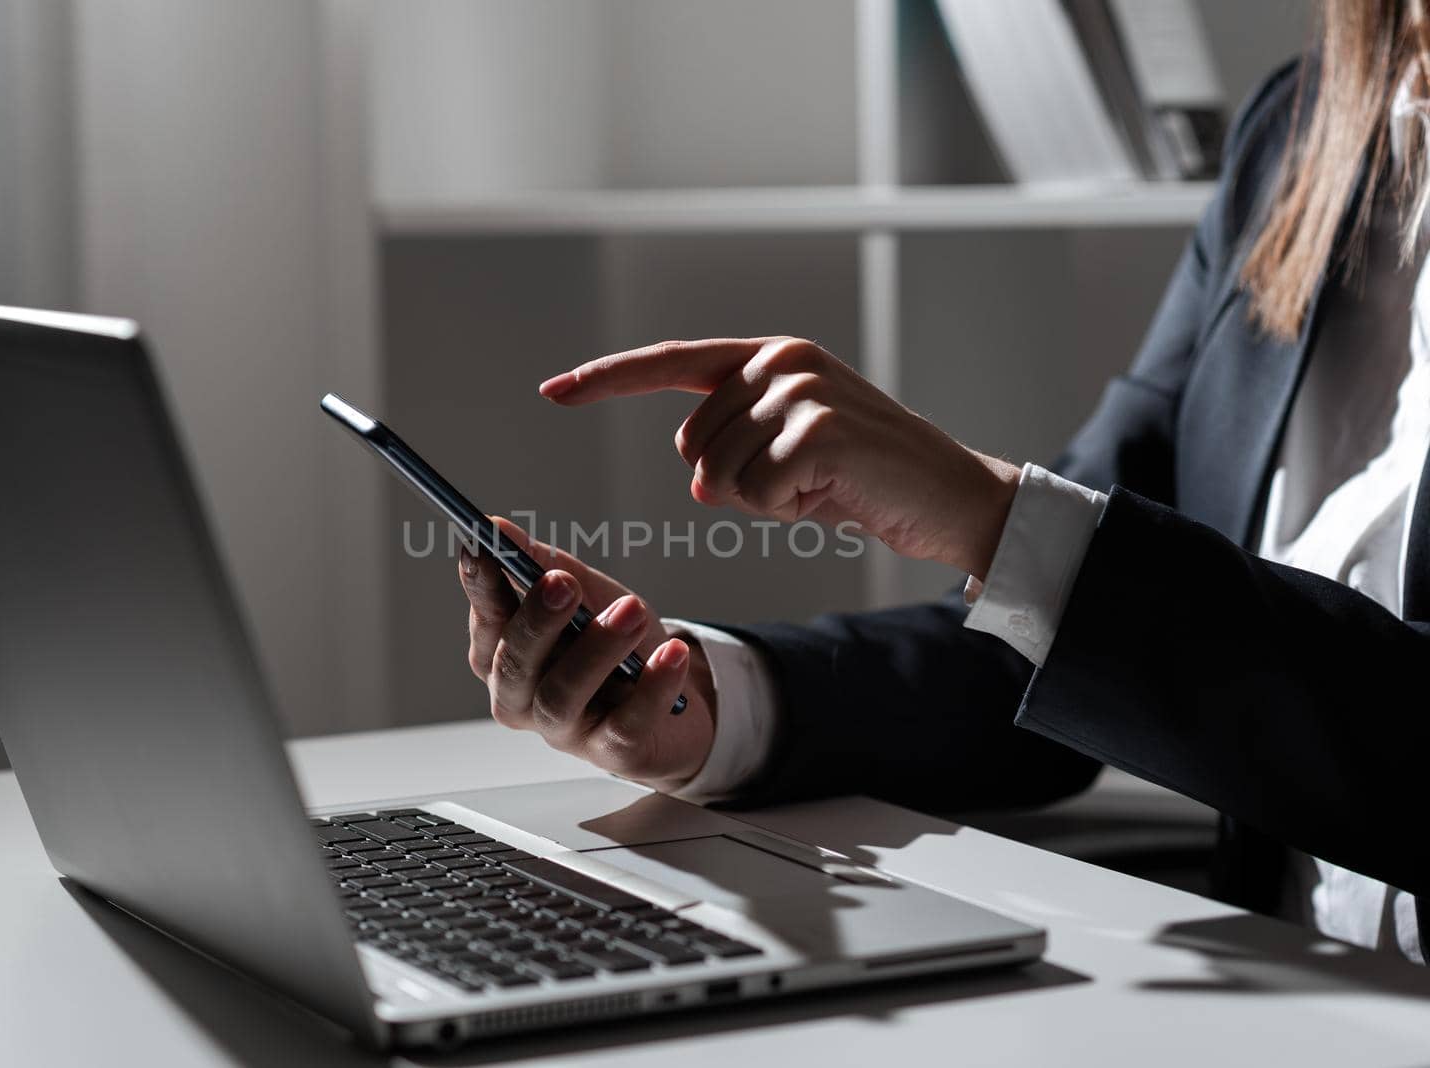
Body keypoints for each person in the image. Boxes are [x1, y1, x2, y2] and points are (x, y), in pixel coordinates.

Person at [455, 1, 1430, 965]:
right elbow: (1055, 645)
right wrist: (704, 702)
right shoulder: (1297, 136)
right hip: (1299, 998)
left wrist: (991, 514)